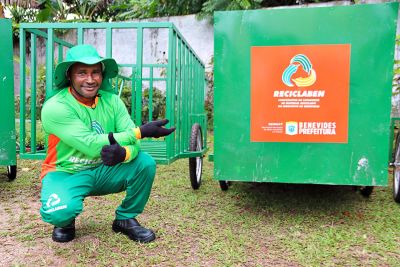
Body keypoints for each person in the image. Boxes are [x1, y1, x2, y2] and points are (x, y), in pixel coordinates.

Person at [39, 44, 175, 243]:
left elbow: (134, 145)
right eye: (82, 73)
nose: (90, 79)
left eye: (96, 72)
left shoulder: (113, 102)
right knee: (60, 212)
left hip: (104, 170)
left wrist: (124, 154)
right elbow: (91, 144)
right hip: (66, 172)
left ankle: (125, 218)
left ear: (102, 75)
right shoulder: (56, 107)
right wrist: (140, 132)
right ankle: (65, 221)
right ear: (69, 75)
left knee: (144, 163)